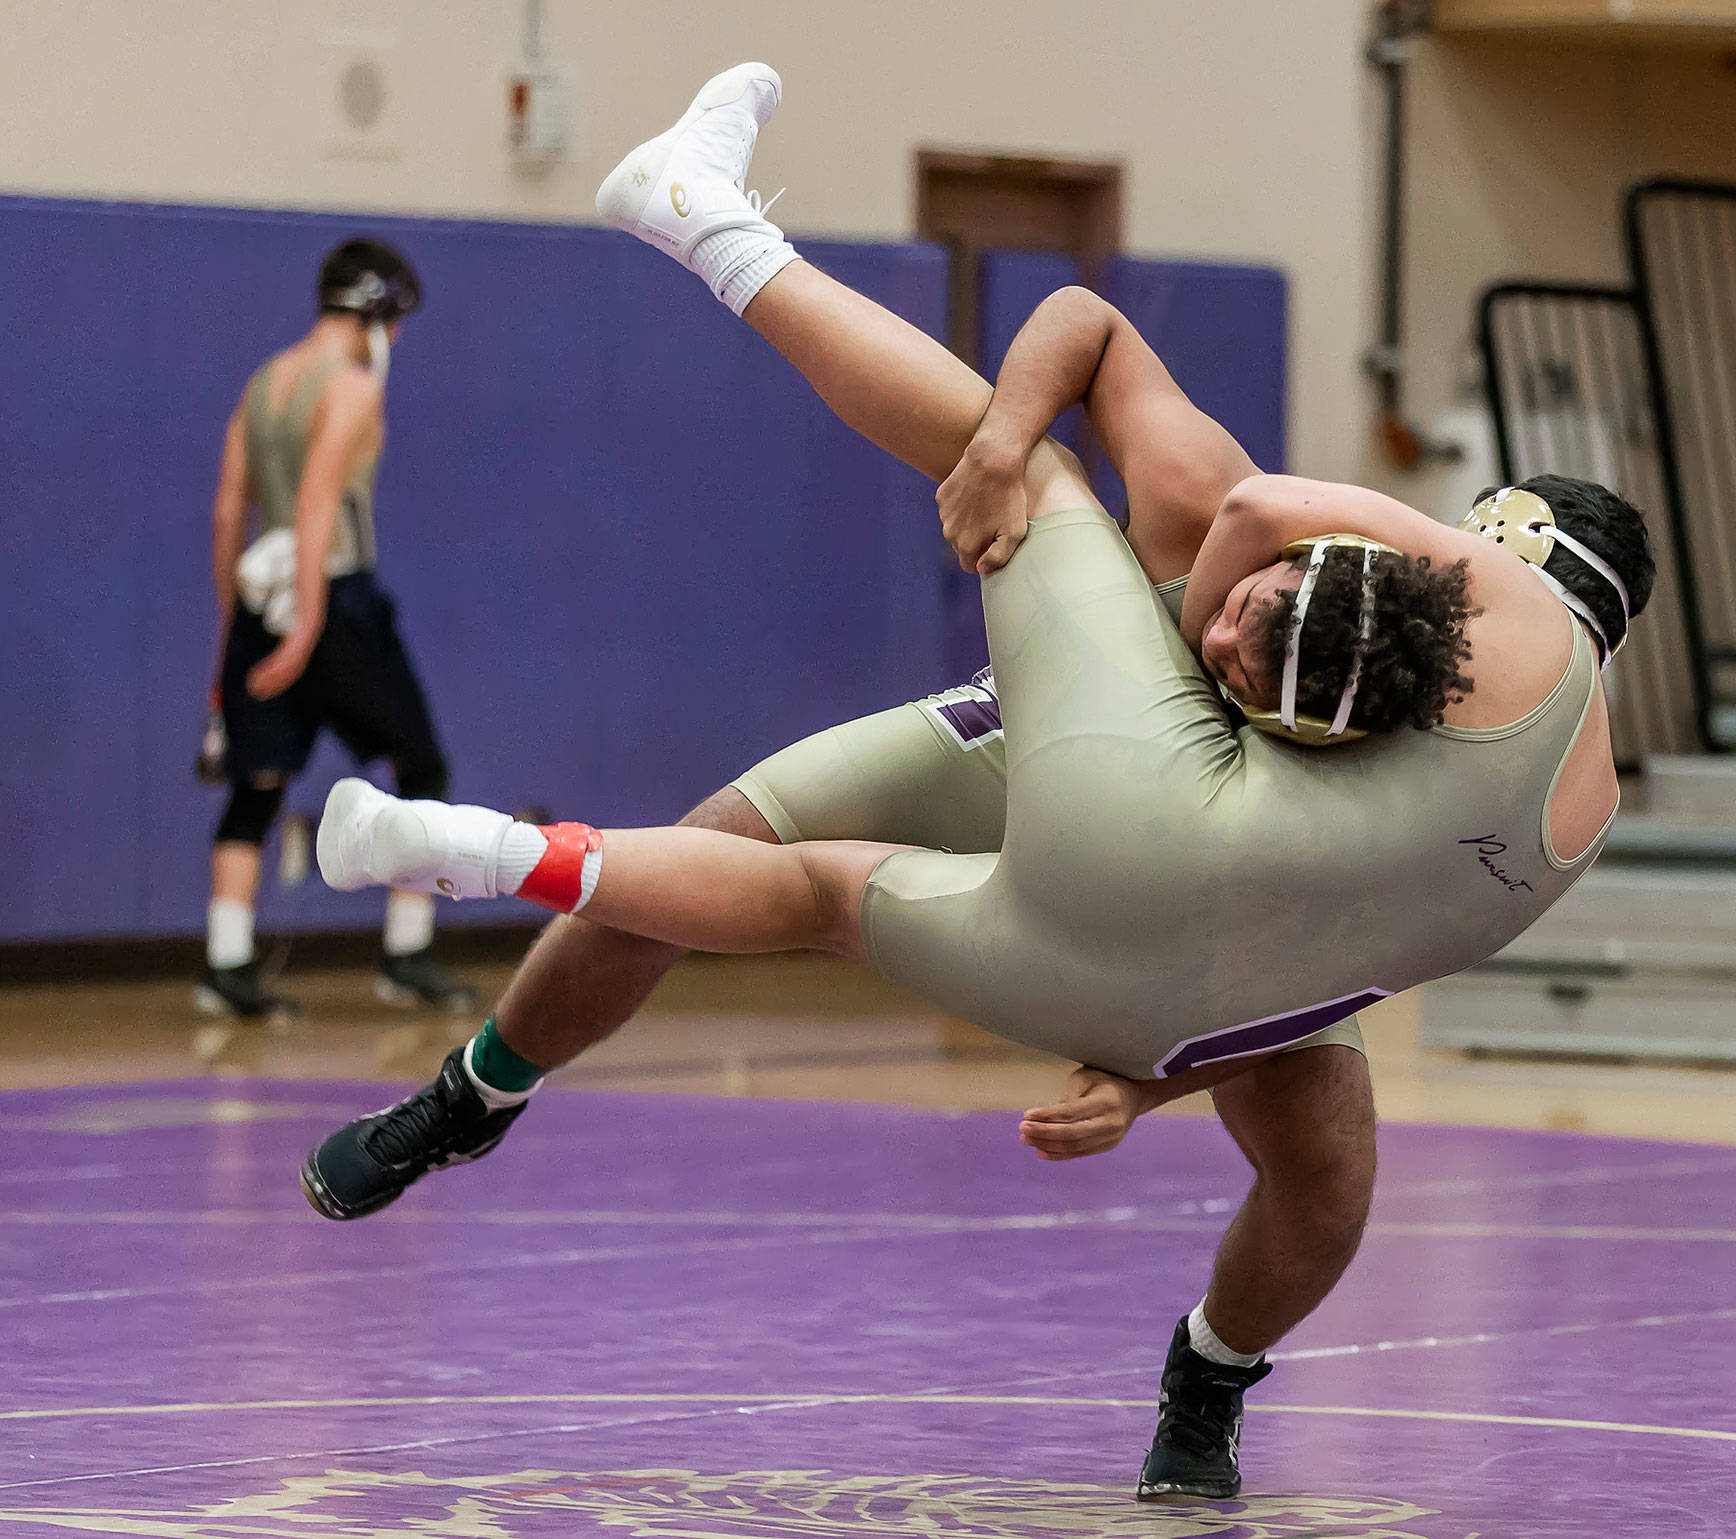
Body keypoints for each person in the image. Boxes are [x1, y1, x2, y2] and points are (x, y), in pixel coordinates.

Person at [300, 65, 1652, 1502]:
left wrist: (1148, 1058)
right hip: (1070, 791)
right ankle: (474, 1093)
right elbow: (1086, 326)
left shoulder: (1401, 609)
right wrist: (1153, 1053)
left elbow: (1335, 933)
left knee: (1322, 1165)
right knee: (719, 857)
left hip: (1182, 862)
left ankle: (1205, 1378)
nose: (1252, 635)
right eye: (1255, 623)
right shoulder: (1320, 591)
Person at [200, 239, 475, 1020]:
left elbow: (229, 512)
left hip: (262, 597)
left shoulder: (264, 382)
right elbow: (319, 500)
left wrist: (235, 633)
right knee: (422, 767)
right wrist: (312, 625)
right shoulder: (353, 386)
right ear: (378, 312)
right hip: (336, 600)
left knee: (255, 782)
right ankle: (407, 951)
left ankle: (227, 963)